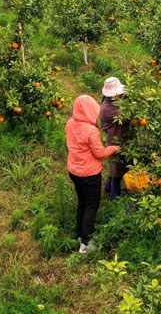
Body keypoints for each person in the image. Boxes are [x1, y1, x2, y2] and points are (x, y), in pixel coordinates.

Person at [66, 95, 120, 253]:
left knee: (82, 202)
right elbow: (99, 153)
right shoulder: (91, 131)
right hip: (89, 174)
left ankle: (80, 232)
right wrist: (115, 148)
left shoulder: (70, 123)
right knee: (92, 206)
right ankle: (86, 242)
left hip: (74, 171)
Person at [100, 77, 129, 199]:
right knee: (117, 168)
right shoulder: (108, 108)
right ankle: (115, 196)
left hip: (121, 137)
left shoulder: (114, 100)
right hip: (114, 140)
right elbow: (127, 115)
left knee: (116, 166)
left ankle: (108, 188)